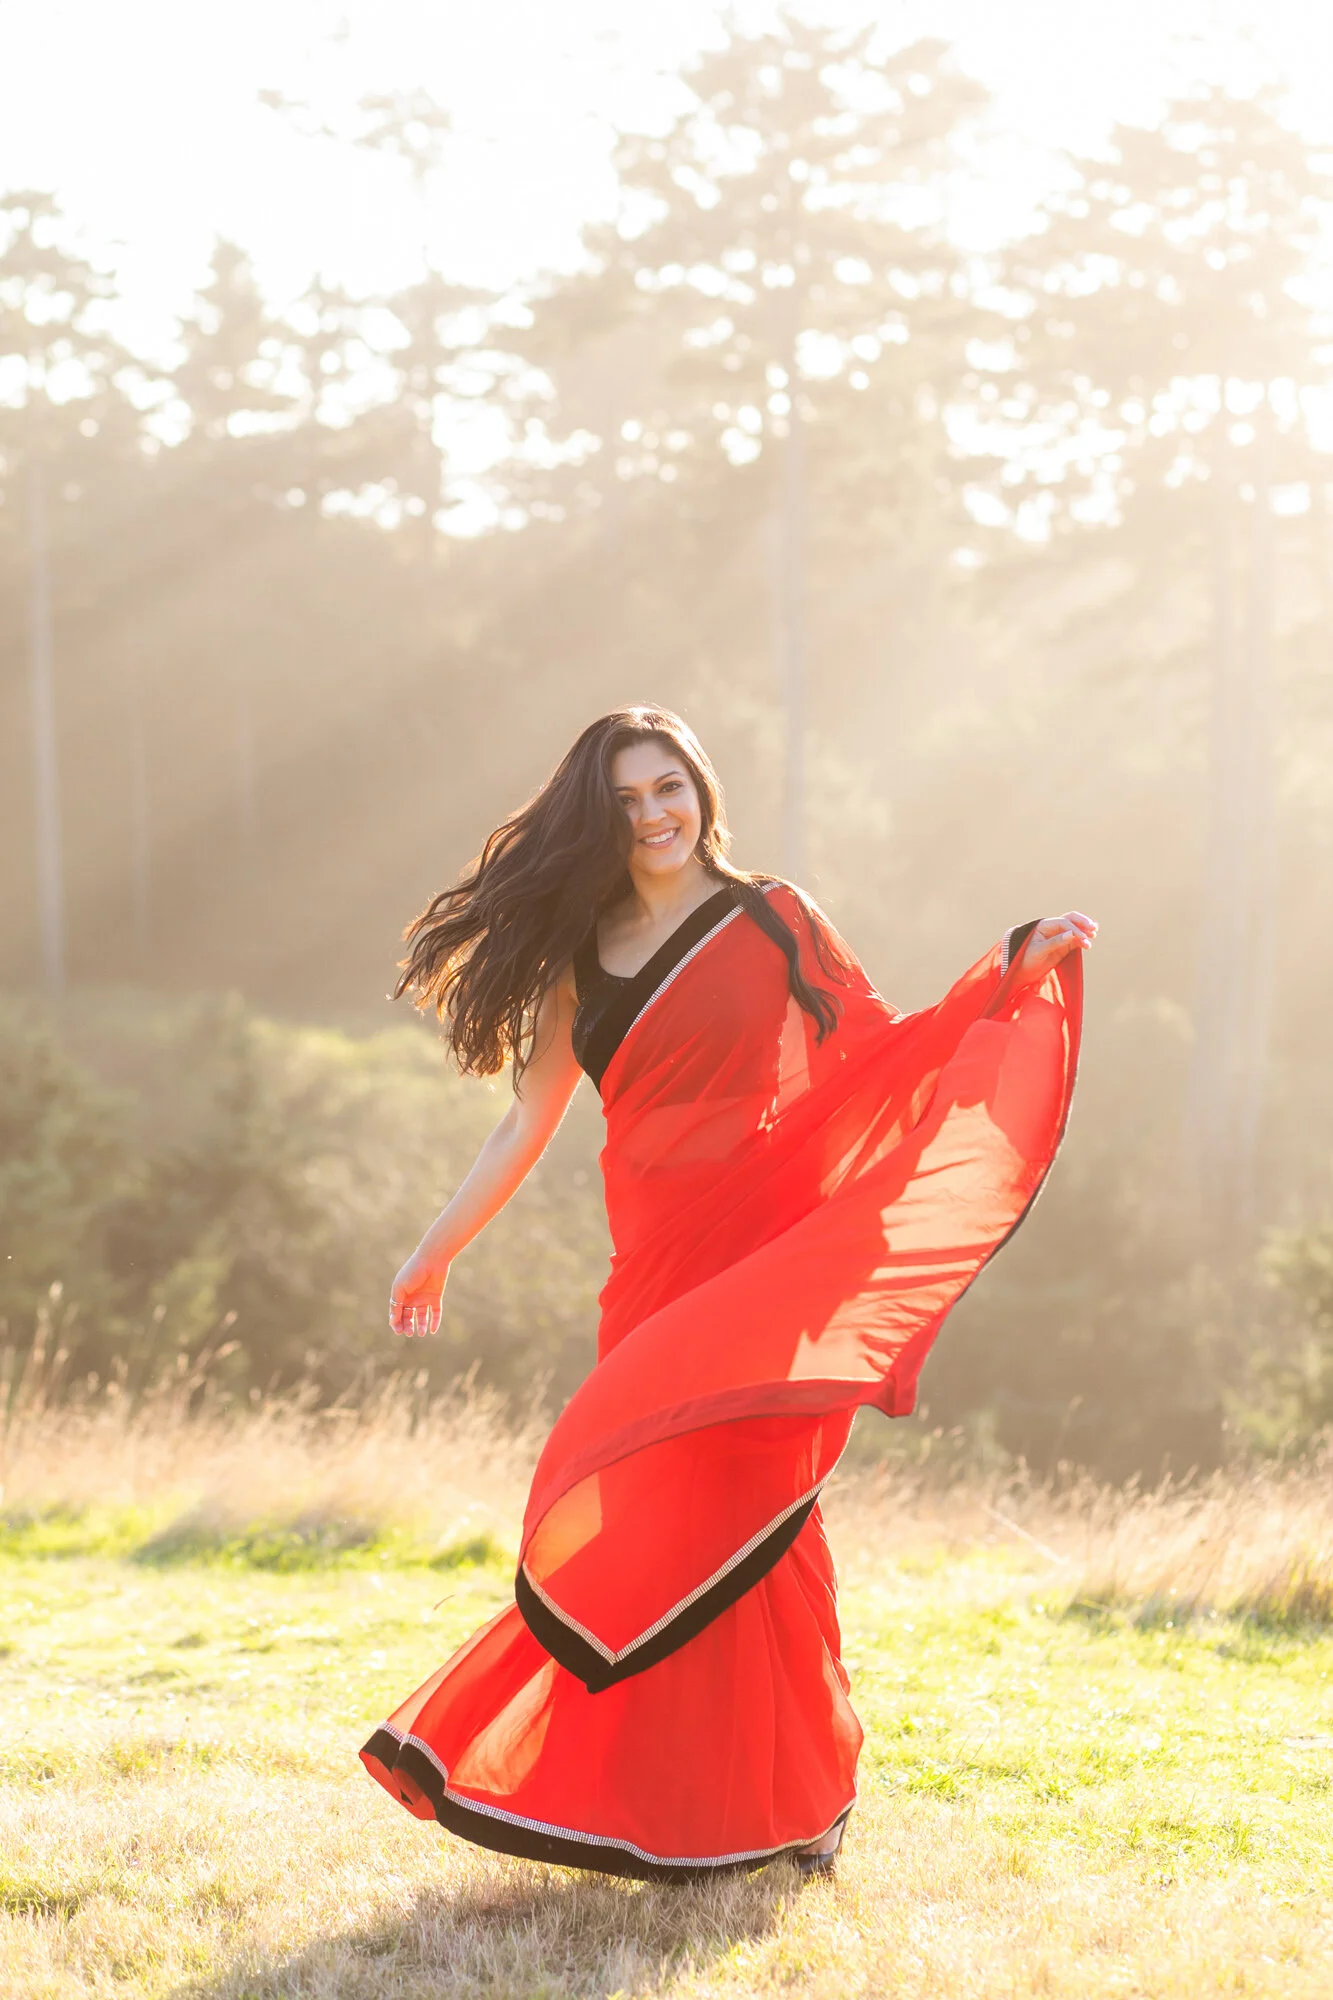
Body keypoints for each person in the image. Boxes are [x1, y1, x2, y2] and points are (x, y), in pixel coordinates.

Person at [361, 704, 1093, 1882]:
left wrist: (1006, 970)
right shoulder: (575, 955)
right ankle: (661, 1799)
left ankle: (794, 1799)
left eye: (669, 788)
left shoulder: (772, 915)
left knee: (759, 1514)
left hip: (764, 1257)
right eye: (627, 799)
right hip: (649, 1271)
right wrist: (434, 1248)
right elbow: (525, 1122)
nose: (653, 815)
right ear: (598, 817)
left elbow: (880, 1047)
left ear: (701, 789)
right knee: (645, 1503)